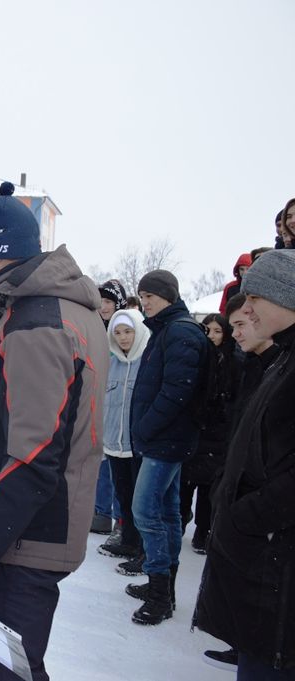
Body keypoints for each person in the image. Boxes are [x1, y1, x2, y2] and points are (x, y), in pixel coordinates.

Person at [0, 182, 108, 681]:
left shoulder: (38, 323)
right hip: (31, 529)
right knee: (14, 668)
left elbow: (33, 460)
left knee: (2, 673)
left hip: (24, 538)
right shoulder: (56, 308)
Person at [195, 250, 295, 679]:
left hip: (278, 570)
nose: (246, 307)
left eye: (256, 296)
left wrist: (243, 517)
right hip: (264, 567)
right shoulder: (281, 362)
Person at [125, 269, 211, 625]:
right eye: (142, 296)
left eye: (151, 297)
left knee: (146, 512)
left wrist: (146, 426)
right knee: (167, 512)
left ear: (170, 296)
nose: (145, 303)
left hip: (167, 439)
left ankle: (160, 593)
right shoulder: (168, 329)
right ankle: (164, 587)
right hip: (167, 438)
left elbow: (178, 389)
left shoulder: (180, 332)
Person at [179, 313, 237, 553]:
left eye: (217, 331)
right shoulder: (199, 357)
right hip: (196, 428)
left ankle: (203, 530)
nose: (212, 336)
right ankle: (180, 522)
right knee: (185, 483)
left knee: (207, 487)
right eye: (208, 330)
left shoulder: (234, 361)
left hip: (218, 433)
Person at [98, 309, 149, 562]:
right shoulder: (111, 362)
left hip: (137, 443)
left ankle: (142, 548)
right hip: (114, 443)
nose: (123, 338)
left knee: (142, 501)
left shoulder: (147, 361)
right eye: (117, 332)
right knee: (124, 495)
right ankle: (128, 541)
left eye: (128, 331)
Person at [91, 279, 129, 535]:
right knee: (100, 460)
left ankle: (120, 518)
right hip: (95, 398)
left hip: (118, 402)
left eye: (108, 301)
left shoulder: (126, 329)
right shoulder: (93, 325)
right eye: (101, 301)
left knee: (117, 463)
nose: (104, 307)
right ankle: (100, 512)